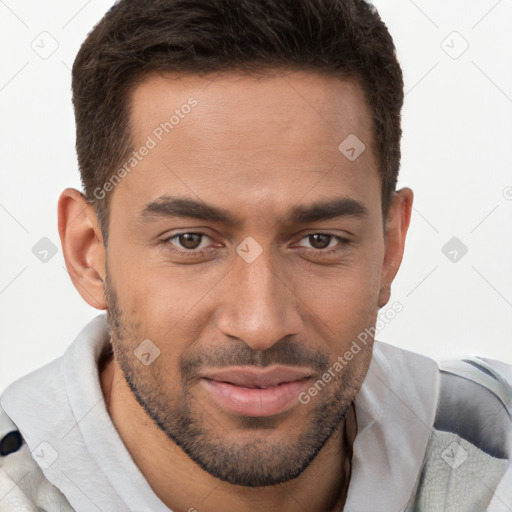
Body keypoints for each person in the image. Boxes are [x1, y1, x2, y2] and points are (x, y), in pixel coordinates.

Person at [0, 0, 510, 510]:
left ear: (390, 247)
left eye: (319, 240)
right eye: (191, 241)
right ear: (89, 254)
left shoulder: (492, 442)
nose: (261, 324)